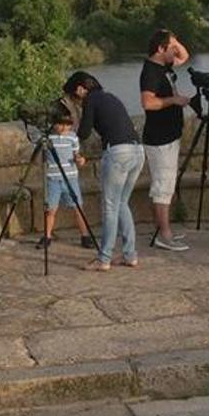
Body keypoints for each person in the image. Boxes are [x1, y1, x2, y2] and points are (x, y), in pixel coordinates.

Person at [69, 71, 145, 272]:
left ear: (80, 89)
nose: (76, 101)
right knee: (122, 203)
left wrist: (75, 121)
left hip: (118, 152)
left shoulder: (90, 100)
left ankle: (104, 258)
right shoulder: (110, 97)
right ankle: (130, 255)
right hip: (137, 150)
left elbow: (84, 133)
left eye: (74, 97)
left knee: (110, 206)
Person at [139, 29, 192, 252]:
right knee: (163, 187)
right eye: (170, 47)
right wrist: (174, 100)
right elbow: (148, 103)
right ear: (160, 49)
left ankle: (161, 229)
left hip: (170, 134)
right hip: (160, 138)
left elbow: (185, 56)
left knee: (165, 185)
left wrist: (174, 39)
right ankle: (164, 235)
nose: (175, 51)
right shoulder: (151, 72)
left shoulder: (164, 66)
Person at [36, 109, 94, 250]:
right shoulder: (48, 138)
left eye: (67, 125)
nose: (63, 128)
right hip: (53, 178)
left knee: (77, 207)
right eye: (60, 124)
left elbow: (76, 154)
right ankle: (47, 235)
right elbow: (39, 157)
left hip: (70, 177)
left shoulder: (72, 137)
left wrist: (79, 159)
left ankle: (85, 235)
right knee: (51, 209)